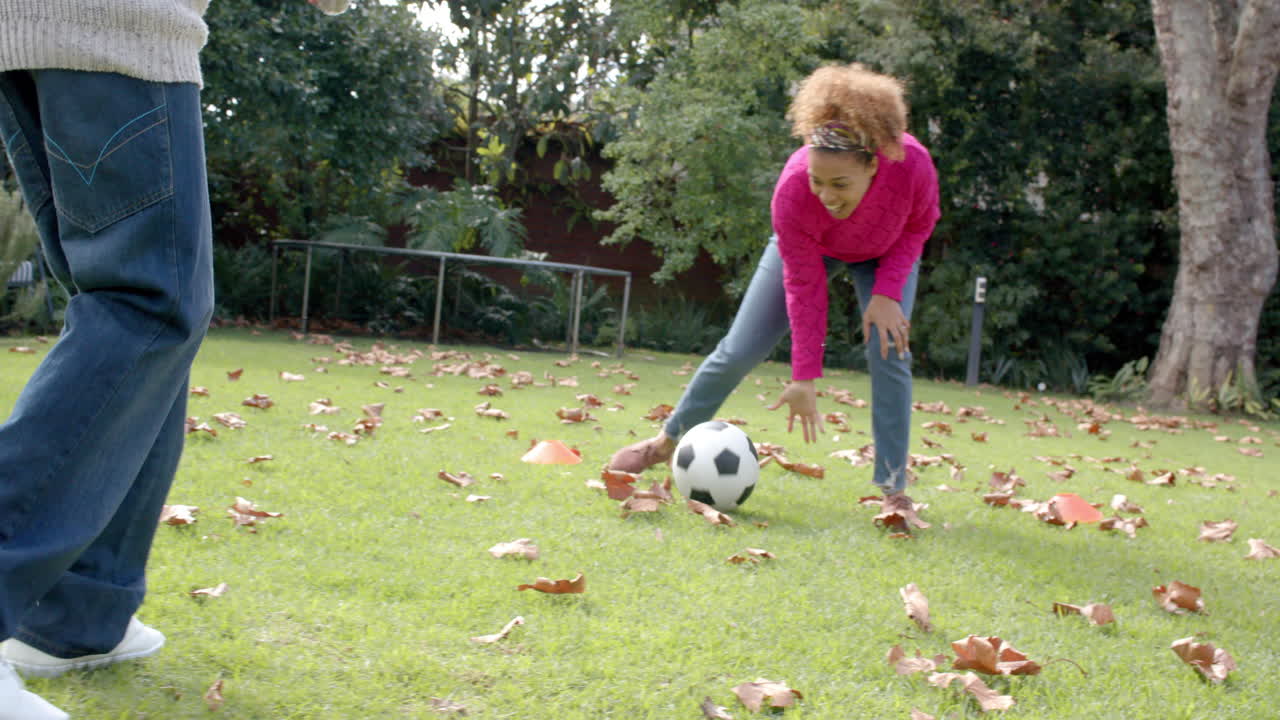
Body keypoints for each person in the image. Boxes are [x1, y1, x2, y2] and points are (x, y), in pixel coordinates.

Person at [0, 1, 349, 717]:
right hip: (114, 24)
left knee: (145, 314)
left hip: (37, 28)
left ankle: (80, 616)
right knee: (148, 306)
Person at [609, 63, 940, 512]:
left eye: (841, 183)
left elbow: (920, 225)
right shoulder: (792, 193)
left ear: (873, 164)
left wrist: (886, 293)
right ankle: (665, 443)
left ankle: (893, 489)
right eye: (817, 180)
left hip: (886, 253)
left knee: (890, 352)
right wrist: (804, 376)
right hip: (810, 248)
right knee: (740, 348)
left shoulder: (911, 164)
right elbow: (805, 287)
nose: (826, 194)